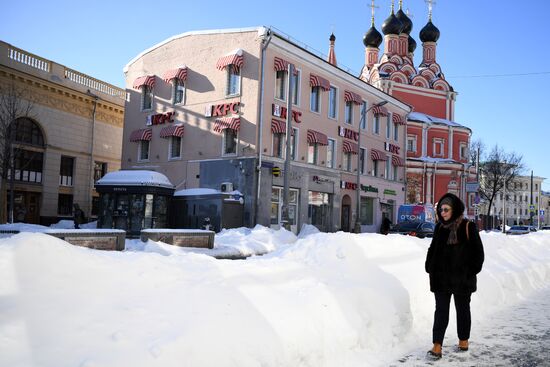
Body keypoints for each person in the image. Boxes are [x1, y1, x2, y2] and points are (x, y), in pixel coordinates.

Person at [424, 193, 484, 360]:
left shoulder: (467, 226)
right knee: (441, 311)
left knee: (463, 310)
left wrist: (470, 271)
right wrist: (429, 266)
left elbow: (478, 254)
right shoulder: (439, 228)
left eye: (446, 209)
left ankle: (463, 340)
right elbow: (432, 248)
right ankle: (437, 345)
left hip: (462, 279)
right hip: (441, 278)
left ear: (455, 209)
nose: (442, 213)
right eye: (440, 210)